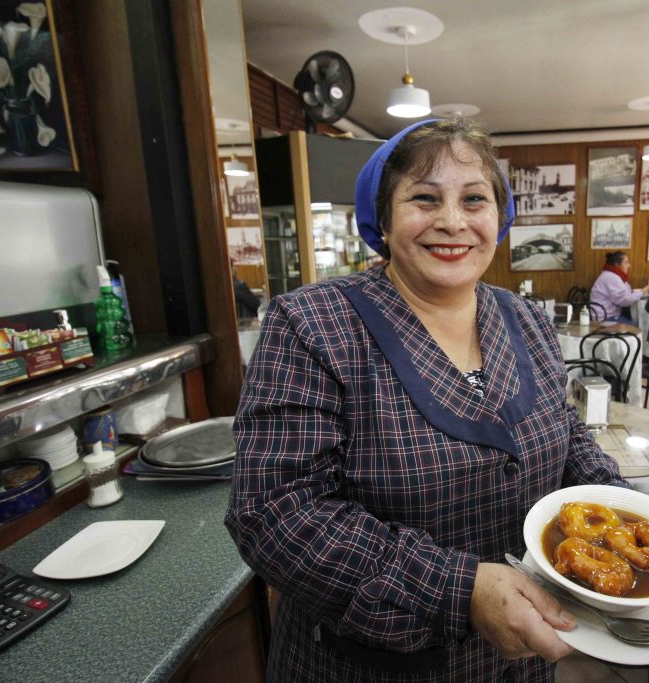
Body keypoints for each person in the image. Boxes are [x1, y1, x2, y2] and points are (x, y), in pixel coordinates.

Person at [225, 118, 627, 682]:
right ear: (383, 220)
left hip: (518, 654)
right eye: (423, 198)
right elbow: (274, 513)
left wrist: (618, 506)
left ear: (499, 219)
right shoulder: (312, 324)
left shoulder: (527, 319)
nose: (452, 221)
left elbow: (563, 432)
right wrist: (460, 591)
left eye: (473, 199)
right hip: (373, 664)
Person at [589, 251, 649, 322]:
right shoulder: (611, 277)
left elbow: (627, 294)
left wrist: (643, 291)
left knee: (634, 320)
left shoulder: (614, 275)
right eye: (626, 262)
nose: (629, 265)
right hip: (605, 318)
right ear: (617, 264)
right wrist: (646, 289)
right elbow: (626, 300)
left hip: (610, 314)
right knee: (636, 327)